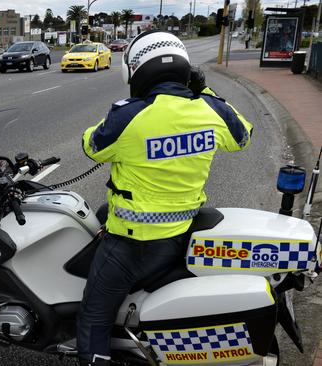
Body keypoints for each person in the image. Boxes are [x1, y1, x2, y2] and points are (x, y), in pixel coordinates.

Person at [77, 31, 253, 366]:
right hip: (179, 234)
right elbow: (242, 135)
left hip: (130, 247)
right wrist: (204, 92)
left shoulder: (130, 116)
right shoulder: (211, 111)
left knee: (92, 315)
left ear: (138, 72)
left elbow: (90, 145)